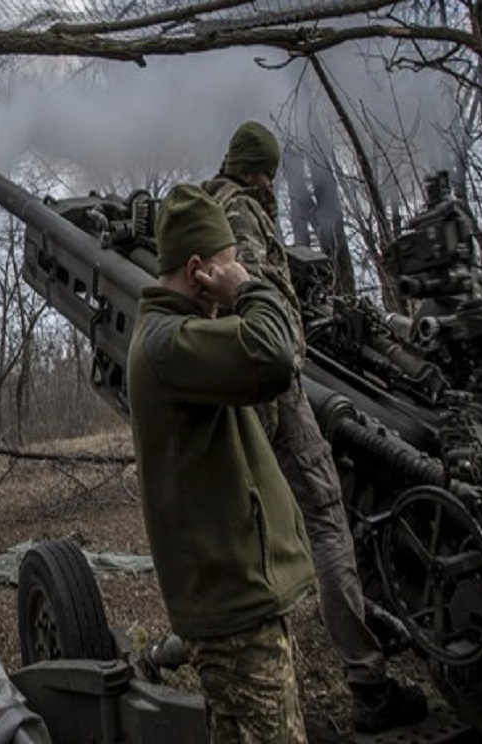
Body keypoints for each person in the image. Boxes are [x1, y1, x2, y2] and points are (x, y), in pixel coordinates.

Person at [204, 121, 428, 734]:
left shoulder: (207, 208)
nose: (273, 183)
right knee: (328, 519)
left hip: (235, 392)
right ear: (253, 170)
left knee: (255, 533)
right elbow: (253, 295)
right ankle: (368, 684)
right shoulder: (243, 213)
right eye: (268, 171)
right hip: (273, 387)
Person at [127, 183, 315, 743]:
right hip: (234, 611)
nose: (235, 274)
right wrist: (250, 290)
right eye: (227, 265)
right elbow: (275, 356)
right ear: (197, 269)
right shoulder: (169, 343)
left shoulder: (181, 336)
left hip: (235, 603)